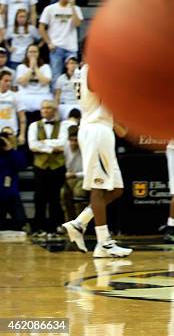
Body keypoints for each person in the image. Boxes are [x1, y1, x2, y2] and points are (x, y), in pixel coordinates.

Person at [62, 63, 132, 258]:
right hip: (95, 130)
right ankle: (103, 243)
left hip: (103, 129)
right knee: (98, 188)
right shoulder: (92, 68)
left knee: (117, 189)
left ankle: (80, 222)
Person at [27, 99, 67, 238]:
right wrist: (52, 148)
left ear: (54, 110)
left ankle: (54, 226)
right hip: (40, 166)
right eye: (43, 108)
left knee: (55, 197)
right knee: (40, 197)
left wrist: (43, 144)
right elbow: (32, 145)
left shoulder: (63, 126)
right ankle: (38, 227)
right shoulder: (33, 126)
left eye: (48, 108)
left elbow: (63, 143)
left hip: (58, 166)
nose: (45, 110)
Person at [38, 0, 83, 86]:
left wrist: (72, 8)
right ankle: (55, 99)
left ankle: (74, 97)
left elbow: (77, 24)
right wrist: (49, 43)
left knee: (74, 75)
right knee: (56, 75)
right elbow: (41, 27)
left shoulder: (76, 9)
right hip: (56, 46)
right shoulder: (50, 9)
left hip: (71, 47)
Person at [15, 45, 51, 117]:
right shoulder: (21, 67)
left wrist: (36, 68)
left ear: (39, 53)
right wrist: (31, 68)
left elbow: (45, 81)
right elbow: (22, 82)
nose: (33, 54)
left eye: (35, 52)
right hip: (25, 96)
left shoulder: (46, 67)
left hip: (42, 95)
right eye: (30, 52)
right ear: (27, 54)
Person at [61, 125, 86, 222]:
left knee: (78, 193)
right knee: (63, 194)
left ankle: (80, 223)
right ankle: (69, 223)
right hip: (68, 178)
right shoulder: (65, 147)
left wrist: (75, 175)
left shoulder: (86, 149)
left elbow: (90, 171)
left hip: (82, 177)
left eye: (76, 140)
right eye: (71, 140)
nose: (73, 143)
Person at [0, 70, 26, 144]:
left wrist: (22, 134)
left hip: (11, 133)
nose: (8, 83)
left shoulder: (16, 96)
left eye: (10, 81)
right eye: (6, 81)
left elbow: (22, 117)